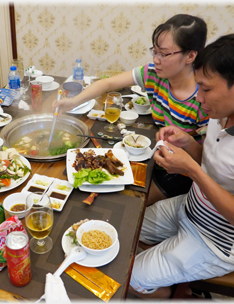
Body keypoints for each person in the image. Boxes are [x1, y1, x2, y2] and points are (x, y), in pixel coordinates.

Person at [130, 32, 234, 298]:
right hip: (190, 209)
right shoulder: (223, 111)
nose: (199, 98)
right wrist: (188, 143)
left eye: (206, 89)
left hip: (218, 241)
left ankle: (179, 295)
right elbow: (214, 163)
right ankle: (172, 272)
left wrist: (191, 170)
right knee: (123, 226)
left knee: (128, 278)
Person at [53, 14, 209, 205]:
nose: (156, 60)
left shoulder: (204, 98)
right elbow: (108, 83)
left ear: (190, 56)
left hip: (180, 174)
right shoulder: (153, 74)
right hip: (154, 158)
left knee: (125, 204)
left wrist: (187, 143)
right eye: (155, 51)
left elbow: (207, 160)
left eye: (164, 54)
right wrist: (72, 102)